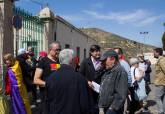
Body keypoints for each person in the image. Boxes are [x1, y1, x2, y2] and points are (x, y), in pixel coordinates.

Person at [45, 49, 89, 114]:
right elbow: (84, 104)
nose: (76, 62)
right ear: (71, 61)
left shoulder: (50, 78)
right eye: (75, 60)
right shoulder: (80, 78)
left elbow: (48, 102)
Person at [33, 41, 61, 114]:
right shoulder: (43, 61)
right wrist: (50, 84)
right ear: (50, 50)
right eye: (56, 50)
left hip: (58, 95)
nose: (58, 52)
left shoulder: (59, 61)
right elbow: (36, 80)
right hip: (46, 95)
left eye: (59, 50)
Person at [98, 50, 128, 114]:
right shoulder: (108, 70)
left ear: (112, 59)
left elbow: (121, 95)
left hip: (113, 110)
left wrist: (112, 108)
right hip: (106, 107)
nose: (102, 63)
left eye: (104, 60)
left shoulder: (120, 71)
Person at [79, 44, 101, 114]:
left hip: (97, 91)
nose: (98, 53)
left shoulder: (101, 62)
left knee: (96, 109)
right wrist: (87, 81)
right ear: (91, 52)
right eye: (96, 51)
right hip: (87, 90)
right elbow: (80, 75)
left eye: (99, 51)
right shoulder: (85, 62)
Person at [153, 48, 165, 114]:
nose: (153, 54)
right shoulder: (162, 59)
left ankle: (161, 111)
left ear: (158, 53)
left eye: (154, 52)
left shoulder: (161, 60)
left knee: (157, 98)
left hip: (160, 82)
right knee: (163, 98)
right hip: (162, 82)